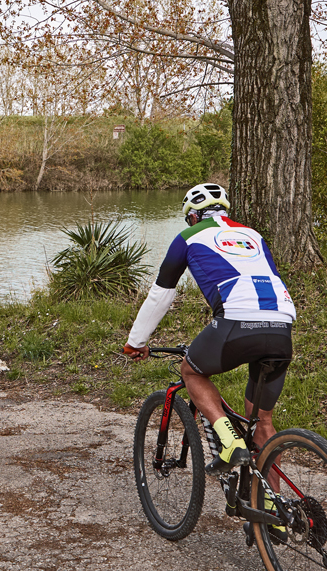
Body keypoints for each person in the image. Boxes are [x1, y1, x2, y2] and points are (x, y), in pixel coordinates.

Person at [123, 183, 296, 471]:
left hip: (236, 320)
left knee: (191, 371)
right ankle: (272, 509)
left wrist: (136, 341)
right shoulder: (253, 235)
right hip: (281, 325)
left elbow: (161, 295)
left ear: (192, 216)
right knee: (262, 421)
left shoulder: (188, 237)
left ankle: (230, 443)